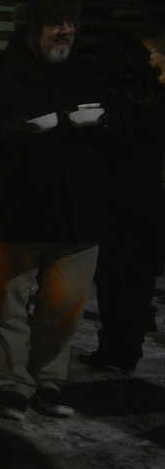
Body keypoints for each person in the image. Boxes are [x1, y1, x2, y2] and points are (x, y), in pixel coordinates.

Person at [0, 0, 109, 420]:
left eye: (71, 22)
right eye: (57, 22)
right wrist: (8, 133)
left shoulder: (91, 74)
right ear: (31, 27)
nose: (66, 31)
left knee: (63, 309)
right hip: (13, 213)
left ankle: (50, 379)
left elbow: (128, 134)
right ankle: (12, 384)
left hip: (80, 216)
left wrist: (106, 126)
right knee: (7, 310)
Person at [80, 31, 165, 373]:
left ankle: (115, 348)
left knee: (113, 278)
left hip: (114, 200)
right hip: (150, 199)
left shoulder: (110, 103)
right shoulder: (156, 98)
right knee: (138, 277)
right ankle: (126, 347)